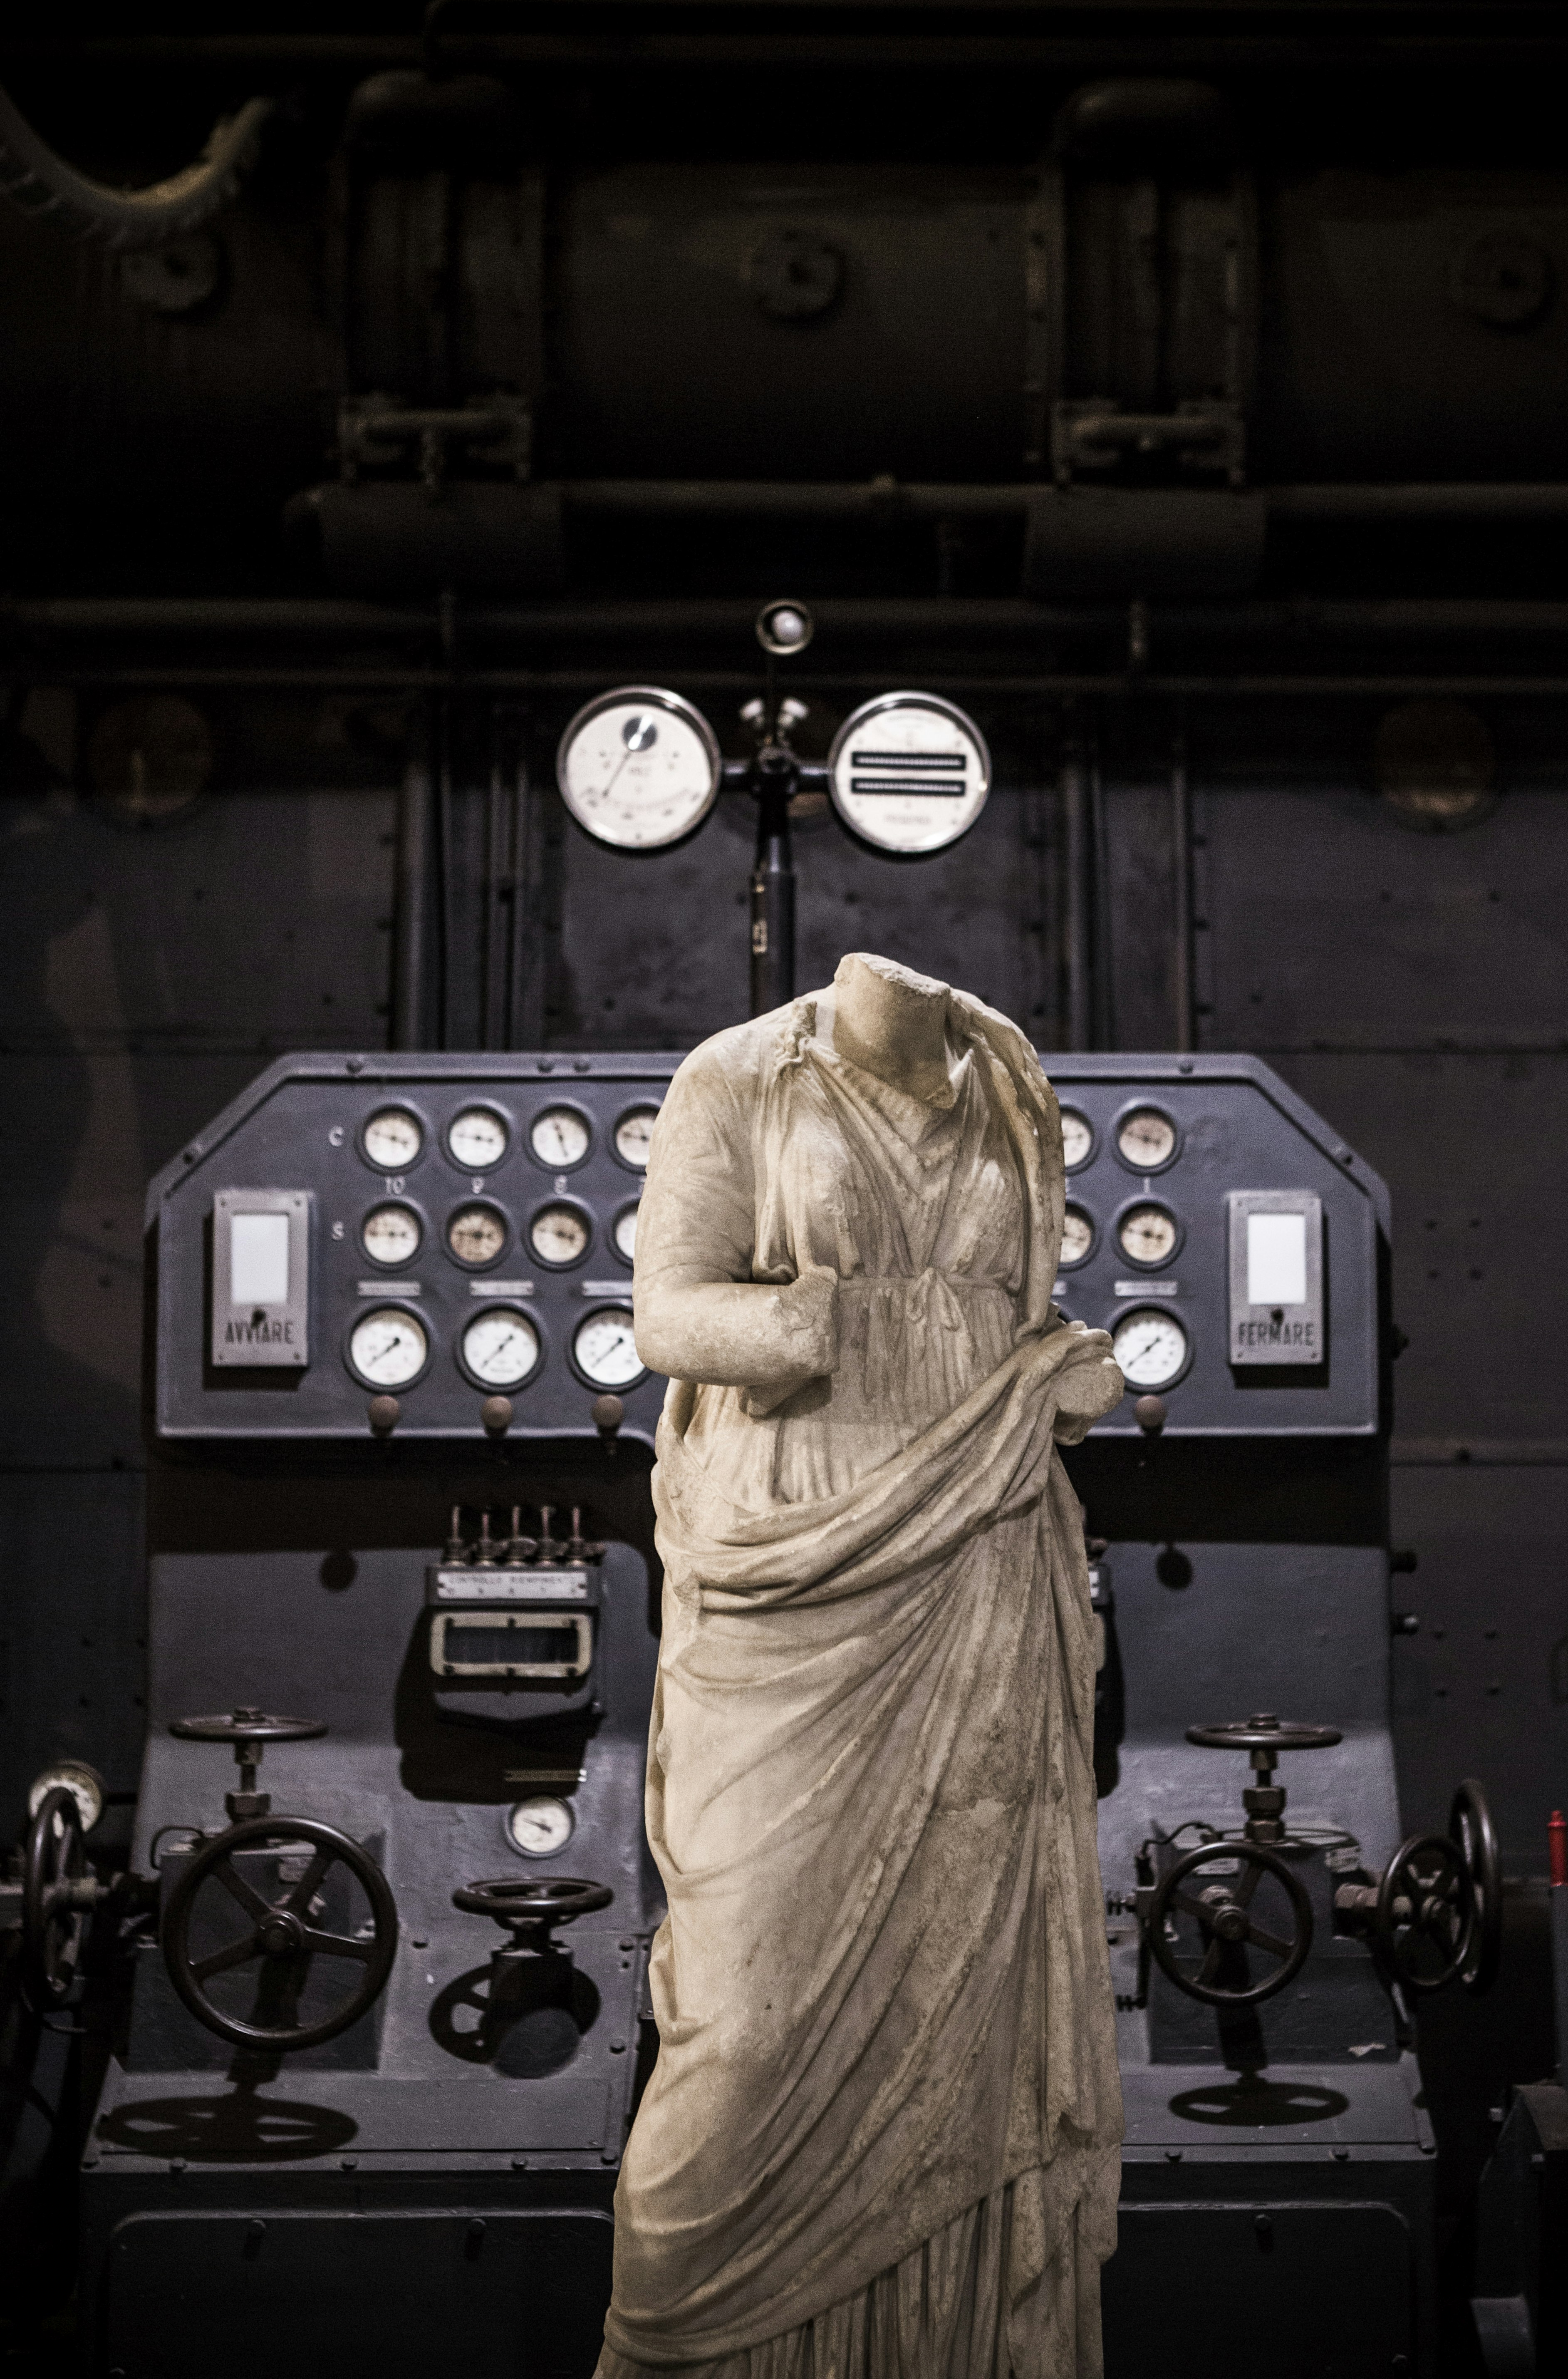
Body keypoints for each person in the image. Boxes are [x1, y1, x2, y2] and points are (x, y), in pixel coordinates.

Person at [597, 953, 1125, 2379]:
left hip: (981, 1556)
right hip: (792, 1556)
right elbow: (666, 1317)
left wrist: (1057, 1372)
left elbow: (1016, 1310)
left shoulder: (1006, 1080)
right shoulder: (740, 1072)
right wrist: (800, 1322)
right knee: (751, 2026)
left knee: (977, 2009)